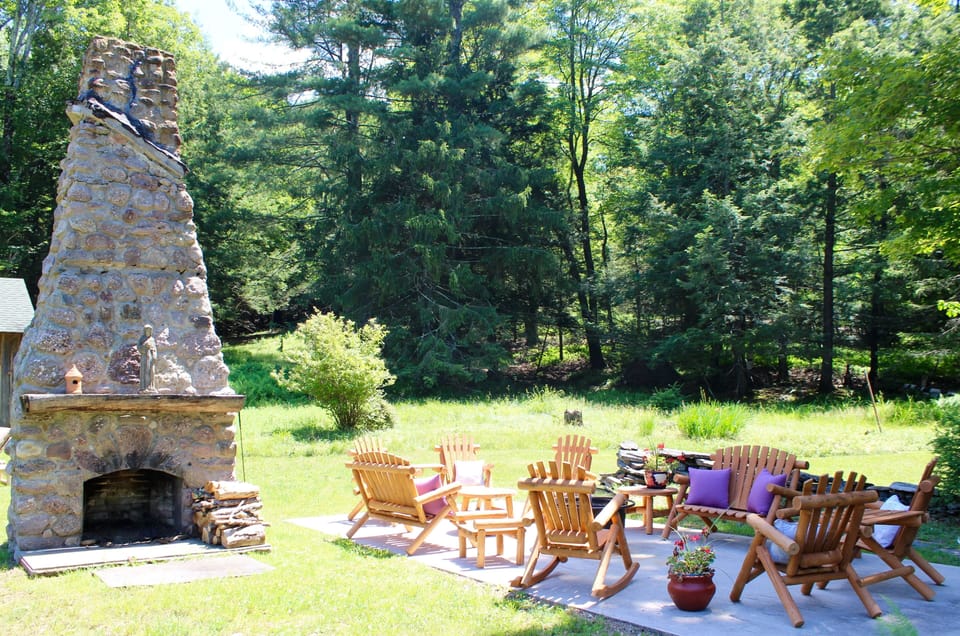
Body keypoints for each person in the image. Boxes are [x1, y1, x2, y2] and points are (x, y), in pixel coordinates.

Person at [137, 324, 157, 392]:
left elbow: (154, 349)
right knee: (144, 371)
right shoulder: (142, 338)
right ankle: (144, 387)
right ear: (145, 331)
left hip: (150, 357)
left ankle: (151, 387)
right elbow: (139, 347)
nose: (148, 332)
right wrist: (144, 346)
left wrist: (154, 356)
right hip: (144, 357)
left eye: (149, 330)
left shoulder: (152, 339)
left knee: (151, 371)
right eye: (147, 330)